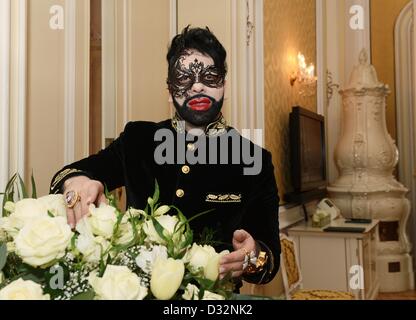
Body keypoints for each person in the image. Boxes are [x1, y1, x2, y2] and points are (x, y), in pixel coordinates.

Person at [50, 26, 280, 288]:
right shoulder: (138, 139)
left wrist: (252, 257)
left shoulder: (254, 160)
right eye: (183, 78)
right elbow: (70, 174)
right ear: (170, 91)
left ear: (224, 85)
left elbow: (269, 263)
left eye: (209, 76)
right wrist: (76, 183)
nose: (197, 87)